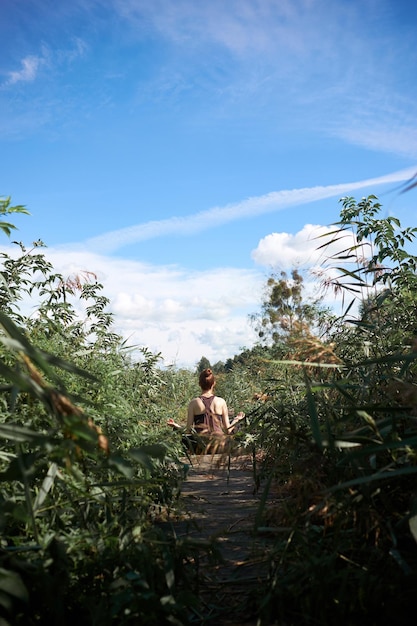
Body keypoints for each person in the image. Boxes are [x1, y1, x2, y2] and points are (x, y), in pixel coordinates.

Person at [167, 368, 245, 436]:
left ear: (199, 384)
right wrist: (237, 419)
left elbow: (188, 431)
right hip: (218, 444)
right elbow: (228, 430)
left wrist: (175, 426)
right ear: (214, 383)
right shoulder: (221, 402)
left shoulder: (193, 403)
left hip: (200, 444)